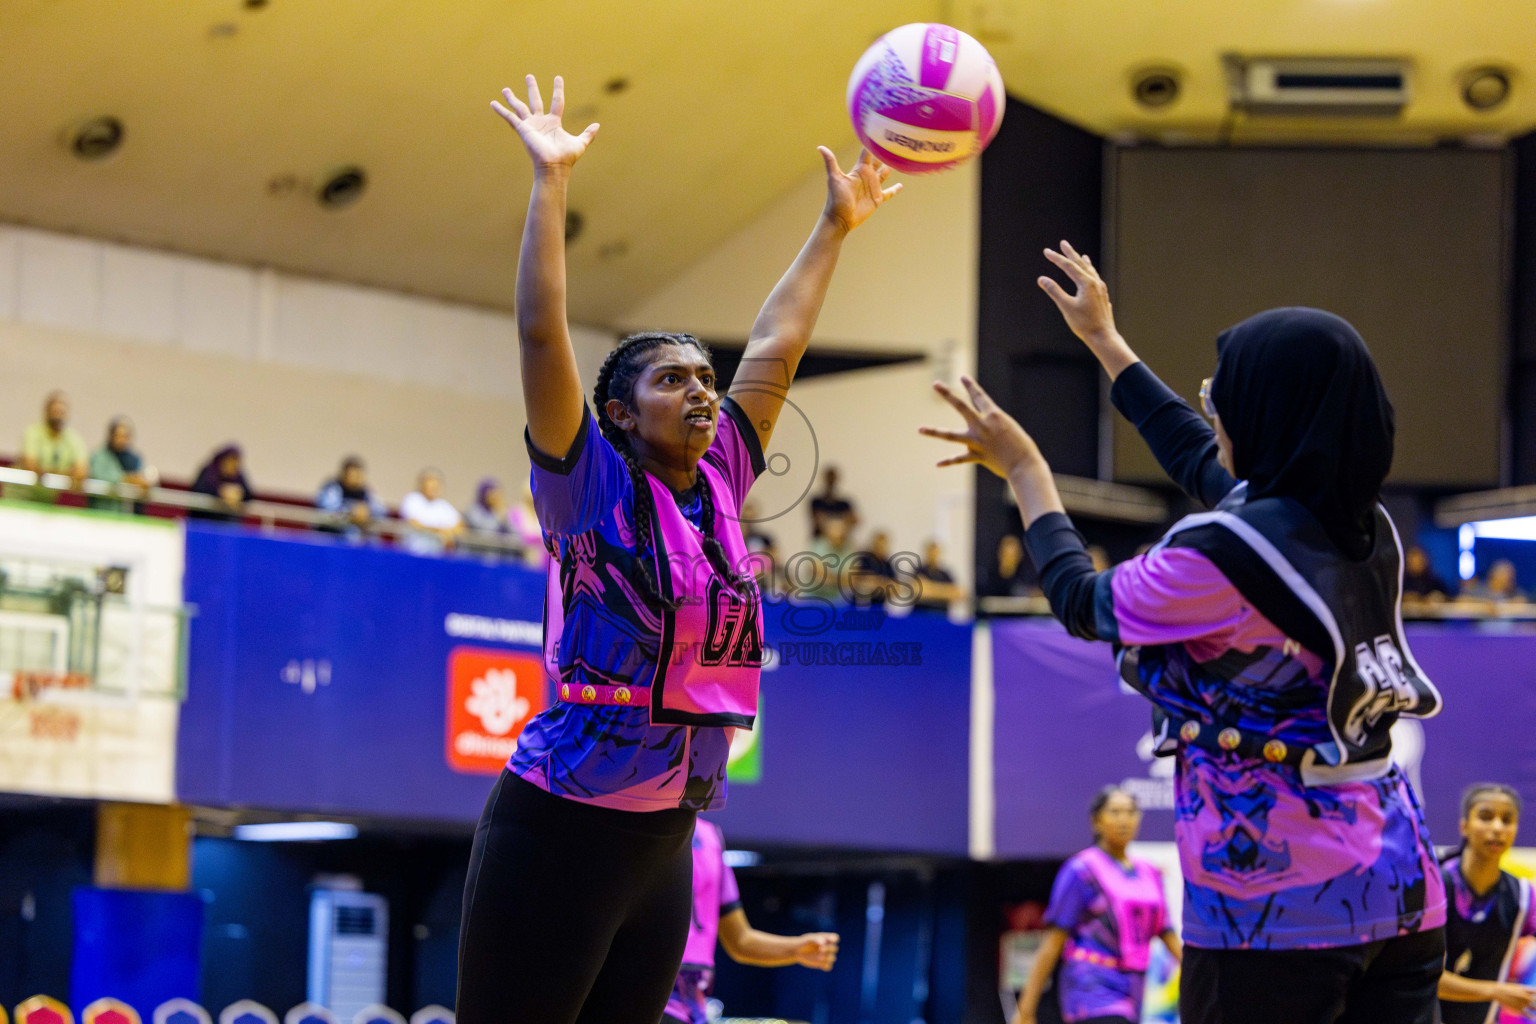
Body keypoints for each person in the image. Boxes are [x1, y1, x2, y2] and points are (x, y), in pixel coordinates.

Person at [456, 74, 897, 1024]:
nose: (701, 390)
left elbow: (778, 341)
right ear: (620, 413)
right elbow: (539, 335)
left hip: (668, 840)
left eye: (705, 376)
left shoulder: (724, 477)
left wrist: (834, 227)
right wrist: (550, 181)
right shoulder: (588, 487)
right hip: (559, 825)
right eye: (671, 379)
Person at [923, 241, 1445, 1024]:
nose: (1213, 412)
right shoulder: (1363, 523)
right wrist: (1105, 340)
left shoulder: (1215, 560)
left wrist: (1027, 473)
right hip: (1401, 889)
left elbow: (1082, 602)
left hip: (1274, 908)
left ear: (1263, 416)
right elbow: (1200, 458)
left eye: (1221, 397)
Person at [1012, 786, 1181, 1024]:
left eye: (1130, 812)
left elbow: (1166, 930)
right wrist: (1026, 1010)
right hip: (1092, 987)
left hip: (1135, 989)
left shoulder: (1149, 872)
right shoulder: (1081, 870)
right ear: (1096, 821)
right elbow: (1054, 940)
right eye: (1115, 812)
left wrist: (1199, 975)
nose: (1124, 820)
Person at [663, 818, 839, 1024]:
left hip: (691, 1009)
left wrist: (797, 948)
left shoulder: (710, 837)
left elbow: (741, 940)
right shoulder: (643, 821)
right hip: (647, 998)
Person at [1437, 783, 1536, 1024]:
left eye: (1507, 820)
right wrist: (1497, 991)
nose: (1497, 828)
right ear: (1464, 826)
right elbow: (1425, 978)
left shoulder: (1523, 895)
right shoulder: (1435, 887)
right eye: (1486, 817)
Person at [18, 390, 88, 501]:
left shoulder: (73, 438)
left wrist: (47, 473)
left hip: (48, 500)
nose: (58, 417)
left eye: (61, 413)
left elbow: (81, 473)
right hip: (22, 497)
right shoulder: (33, 433)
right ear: (46, 412)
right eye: (54, 412)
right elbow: (31, 466)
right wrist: (65, 475)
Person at [88, 416, 152, 512]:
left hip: (127, 513)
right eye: (118, 436)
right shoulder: (99, 456)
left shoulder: (135, 459)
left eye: (125, 436)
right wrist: (127, 479)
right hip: (102, 510)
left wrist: (144, 483)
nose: (121, 440)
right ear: (111, 436)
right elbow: (98, 477)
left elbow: (143, 480)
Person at [315, 455, 384, 539]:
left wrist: (368, 512)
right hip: (330, 534)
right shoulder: (333, 488)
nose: (356, 479)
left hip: (357, 536)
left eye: (358, 476)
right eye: (352, 476)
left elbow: (381, 512)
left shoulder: (366, 492)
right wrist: (351, 511)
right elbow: (328, 510)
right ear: (344, 475)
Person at [399, 468, 463, 554]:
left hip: (437, 553)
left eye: (436, 486)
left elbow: (459, 525)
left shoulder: (443, 505)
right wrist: (439, 532)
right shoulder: (412, 499)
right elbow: (414, 523)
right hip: (413, 551)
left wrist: (449, 533)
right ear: (423, 485)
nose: (433, 488)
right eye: (430, 485)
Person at [189, 444, 251, 521]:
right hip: (203, 518)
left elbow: (249, 495)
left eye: (235, 463)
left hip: (227, 520)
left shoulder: (239, 476)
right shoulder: (209, 472)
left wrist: (239, 494)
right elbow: (198, 490)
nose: (232, 466)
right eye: (230, 461)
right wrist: (221, 492)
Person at [979, 534, 1036, 598]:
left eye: (1013, 555)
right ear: (999, 553)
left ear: (1020, 555)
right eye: (1007, 554)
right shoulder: (987, 582)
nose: (1010, 559)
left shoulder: (1025, 579)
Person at [809, 466, 857, 538]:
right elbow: (817, 521)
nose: (831, 482)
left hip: (840, 541)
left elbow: (854, 520)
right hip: (821, 539)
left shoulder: (844, 504)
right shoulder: (817, 502)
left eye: (833, 479)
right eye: (829, 479)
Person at [915, 539, 965, 608]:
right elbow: (918, 591)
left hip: (941, 612)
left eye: (935, 553)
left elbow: (958, 593)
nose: (933, 556)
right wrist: (945, 591)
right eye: (931, 552)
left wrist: (929, 588)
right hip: (921, 612)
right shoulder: (919, 571)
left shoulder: (945, 574)